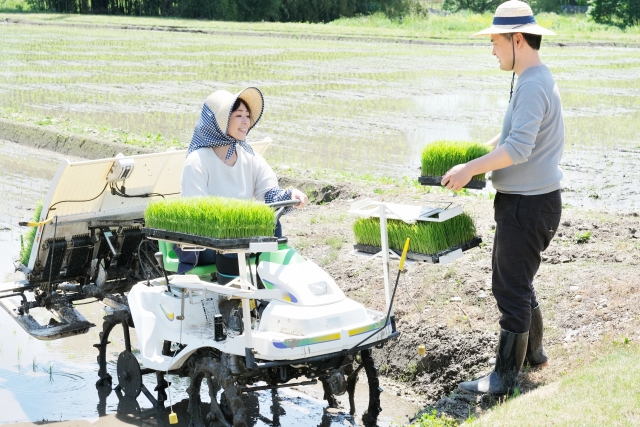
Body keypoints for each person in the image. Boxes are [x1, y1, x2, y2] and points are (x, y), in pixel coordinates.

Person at [441, 0, 564, 395]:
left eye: (495, 41)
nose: (491, 50)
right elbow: (512, 134)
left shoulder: (532, 84)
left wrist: (469, 169)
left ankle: (504, 377)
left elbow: (520, 148)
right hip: (531, 202)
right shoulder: (533, 79)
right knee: (518, 281)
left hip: (527, 205)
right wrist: (482, 149)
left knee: (509, 288)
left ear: (517, 39)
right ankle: (535, 354)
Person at [176, 87, 308, 274]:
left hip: (241, 238)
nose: (246, 121)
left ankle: (274, 284)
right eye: (239, 115)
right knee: (233, 240)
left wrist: (290, 195)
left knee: (272, 223)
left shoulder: (249, 156)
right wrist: (232, 227)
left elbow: (269, 193)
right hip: (204, 245)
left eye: (248, 115)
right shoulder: (197, 161)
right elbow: (198, 217)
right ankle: (233, 296)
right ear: (220, 122)